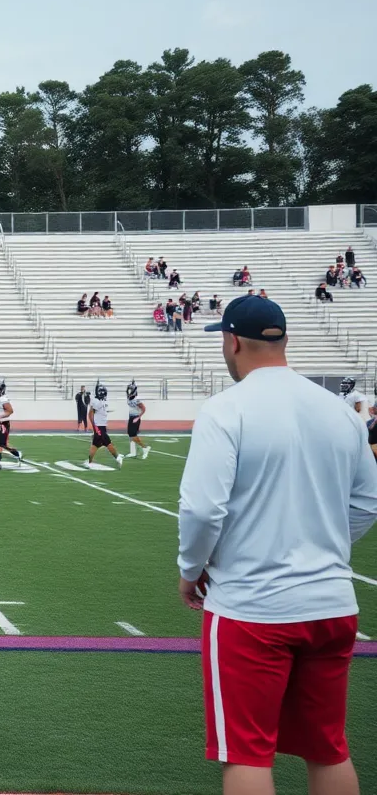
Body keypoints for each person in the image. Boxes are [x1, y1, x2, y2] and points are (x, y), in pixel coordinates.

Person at [178, 295, 377, 794]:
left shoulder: (226, 409)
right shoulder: (340, 411)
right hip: (332, 602)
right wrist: (318, 541)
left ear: (231, 340)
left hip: (252, 607)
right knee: (328, 747)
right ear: (283, 339)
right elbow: (367, 503)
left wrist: (191, 568)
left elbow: (202, 509)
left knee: (246, 752)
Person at [85, 383, 124, 468]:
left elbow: (99, 411)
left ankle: (89, 461)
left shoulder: (101, 401)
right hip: (99, 427)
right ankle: (118, 458)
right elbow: (90, 414)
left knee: (95, 444)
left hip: (101, 426)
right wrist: (95, 427)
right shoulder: (97, 402)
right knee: (108, 443)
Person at [0, 381, 23, 469]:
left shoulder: (3, 399)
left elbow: (10, 411)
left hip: (3, 424)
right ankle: (15, 454)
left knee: (1, 444)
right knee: (0, 443)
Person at [125, 381, 150, 459]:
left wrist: (138, 417)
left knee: (133, 435)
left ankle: (145, 447)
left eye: (130, 390)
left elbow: (144, 409)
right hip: (131, 417)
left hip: (135, 417)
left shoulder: (137, 399)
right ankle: (133, 452)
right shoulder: (129, 397)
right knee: (130, 435)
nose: (129, 391)